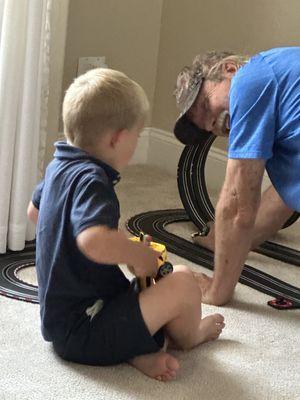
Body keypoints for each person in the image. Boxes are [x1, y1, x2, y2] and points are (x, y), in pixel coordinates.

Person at [27, 68, 225, 382]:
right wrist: (135, 254)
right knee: (184, 282)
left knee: (150, 288)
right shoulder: (93, 182)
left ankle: (136, 352)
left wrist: (80, 253)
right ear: (118, 138)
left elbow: (34, 213)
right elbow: (92, 240)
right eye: (137, 136)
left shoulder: (58, 167)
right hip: (88, 329)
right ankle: (189, 337)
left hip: (66, 321)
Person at [173, 47, 300, 306]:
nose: (213, 126)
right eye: (206, 127)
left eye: (206, 106)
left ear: (229, 69)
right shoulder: (285, 95)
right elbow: (283, 198)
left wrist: (216, 290)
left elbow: (238, 206)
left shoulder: (250, 79)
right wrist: (224, 242)